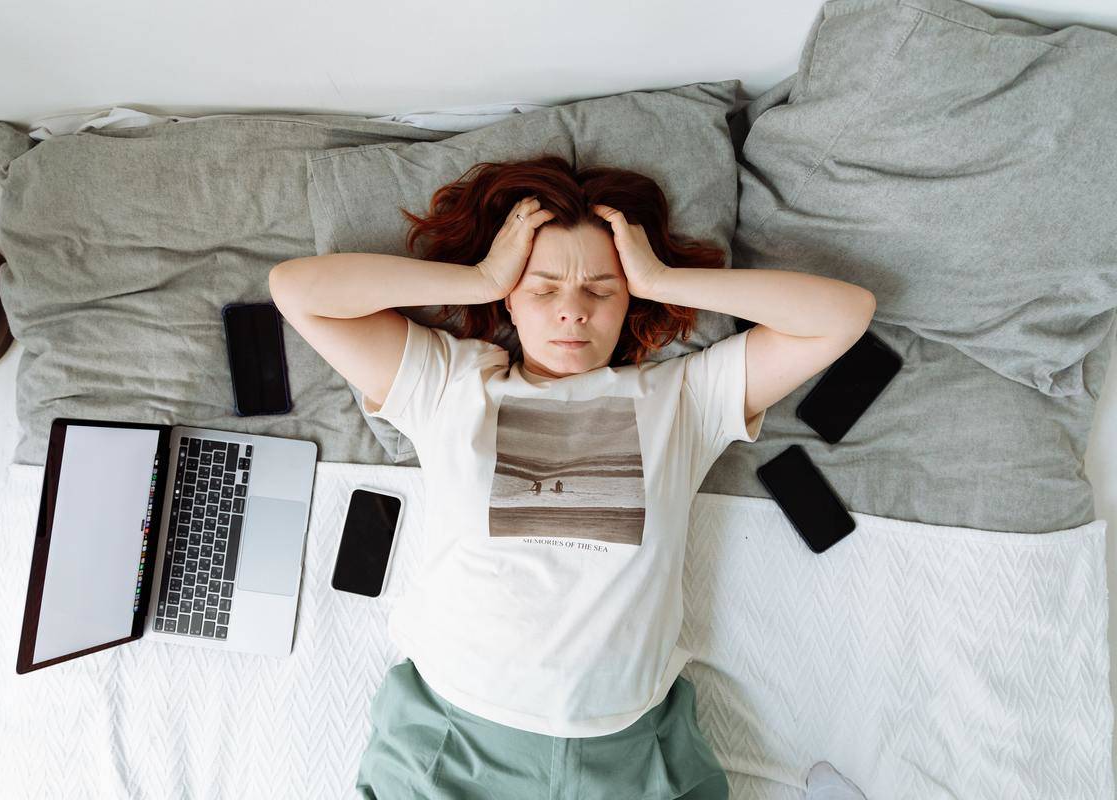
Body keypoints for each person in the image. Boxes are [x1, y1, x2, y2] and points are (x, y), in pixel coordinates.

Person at [270, 155, 877, 799]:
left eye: (601, 289)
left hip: (628, 754)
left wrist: (664, 276)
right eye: (543, 287)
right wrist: (476, 278)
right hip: (455, 741)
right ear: (509, 294)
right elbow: (297, 291)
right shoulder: (451, 383)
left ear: (630, 299)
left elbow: (843, 313)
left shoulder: (684, 398)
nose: (572, 311)